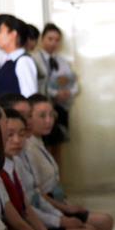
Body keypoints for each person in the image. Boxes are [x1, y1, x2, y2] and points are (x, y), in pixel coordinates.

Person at [23, 94, 113, 230]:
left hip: (53, 205)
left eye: (52, 115)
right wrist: (62, 213)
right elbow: (36, 195)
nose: (49, 121)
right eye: (42, 116)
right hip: (45, 212)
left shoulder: (38, 142)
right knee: (96, 228)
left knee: (104, 222)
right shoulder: (27, 148)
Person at [32, 23, 77, 162]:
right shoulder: (34, 59)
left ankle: (57, 180)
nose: (53, 43)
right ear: (42, 39)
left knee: (58, 146)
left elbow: (73, 83)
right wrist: (53, 93)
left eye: (57, 40)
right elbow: (36, 84)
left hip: (60, 108)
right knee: (41, 146)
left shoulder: (62, 61)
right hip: (42, 108)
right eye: (50, 39)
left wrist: (68, 93)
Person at [0, 14, 37, 100]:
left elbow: (30, 96)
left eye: (0, 32)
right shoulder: (4, 60)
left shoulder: (23, 61)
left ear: (13, 34)